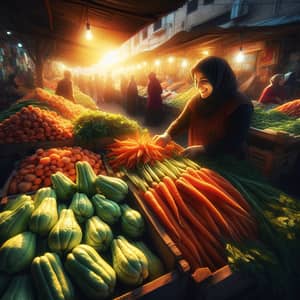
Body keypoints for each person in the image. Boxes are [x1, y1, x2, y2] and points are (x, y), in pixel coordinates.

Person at [154, 56, 253, 159]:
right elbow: (181, 121)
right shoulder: (196, 100)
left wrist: (204, 149)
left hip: (227, 163)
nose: (198, 86)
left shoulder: (240, 104)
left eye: (204, 80)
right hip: (199, 161)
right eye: (196, 81)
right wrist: (167, 135)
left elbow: (235, 141)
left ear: (219, 79)